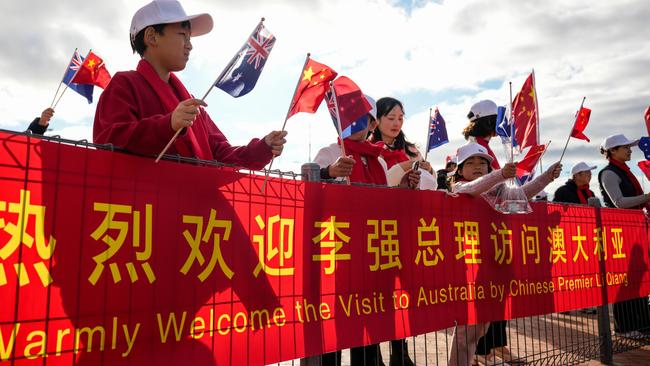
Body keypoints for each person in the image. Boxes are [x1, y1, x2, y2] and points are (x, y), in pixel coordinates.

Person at [93, 0, 286, 169]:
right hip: (146, 205)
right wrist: (168, 124)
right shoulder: (125, 83)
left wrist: (262, 149)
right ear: (151, 37)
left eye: (190, 38)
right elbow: (109, 140)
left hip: (191, 205)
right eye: (182, 35)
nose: (189, 45)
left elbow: (220, 153)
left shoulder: (190, 103)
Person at [313, 96, 419, 366]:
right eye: (346, 119)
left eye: (360, 119)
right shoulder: (329, 152)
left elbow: (383, 202)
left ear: (371, 124)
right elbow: (308, 185)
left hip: (373, 252)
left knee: (369, 321)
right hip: (340, 253)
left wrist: (404, 188)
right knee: (334, 323)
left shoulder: (378, 161)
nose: (352, 125)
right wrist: (328, 172)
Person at [448, 142, 561, 366]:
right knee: (465, 330)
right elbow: (473, 188)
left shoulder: (498, 191)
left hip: (495, 265)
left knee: (479, 329)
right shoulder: (459, 188)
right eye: (470, 163)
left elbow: (522, 195)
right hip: (470, 267)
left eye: (483, 162)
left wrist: (547, 177)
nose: (478, 166)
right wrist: (500, 174)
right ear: (460, 170)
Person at [598, 134, 650, 337]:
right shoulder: (609, 173)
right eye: (625, 147)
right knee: (626, 278)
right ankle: (625, 326)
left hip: (635, 228)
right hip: (621, 231)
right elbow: (619, 202)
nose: (630, 150)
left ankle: (640, 322)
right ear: (612, 151)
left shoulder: (624, 171)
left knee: (639, 275)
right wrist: (646, 197)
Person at [370, 97, 436, 191]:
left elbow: (430, 186)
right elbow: (378, 184)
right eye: (391, 118)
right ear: (377, 120)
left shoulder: (411, 150)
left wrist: (429, 170)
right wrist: (404, 166)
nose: (397, 123)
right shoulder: (369, 149)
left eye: (400, 118)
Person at [463, 100, 500, 169]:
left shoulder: (478, 143)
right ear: (489, 122)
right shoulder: (476, 148)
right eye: (497, 119)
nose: (500, 122)